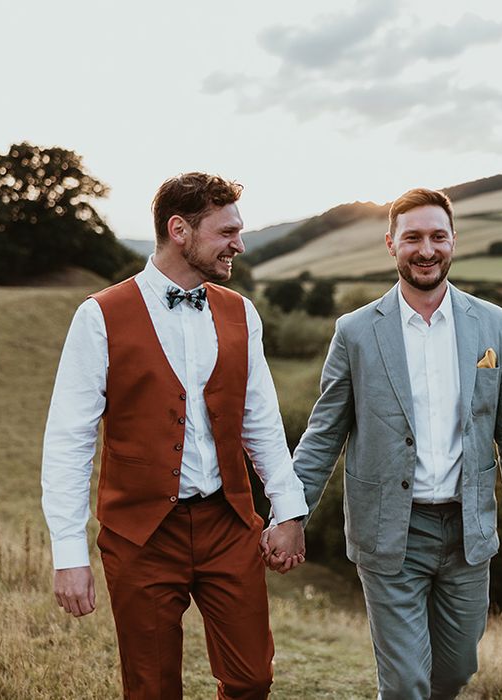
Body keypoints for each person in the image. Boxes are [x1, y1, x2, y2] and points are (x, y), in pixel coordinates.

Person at [265, 187, 502, 700]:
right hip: (391, 531)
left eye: (438, 236)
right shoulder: (354, 332)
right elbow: (323, 433)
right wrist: (289, 515)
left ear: (454, 241)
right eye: (412, 237)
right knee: (406, 682)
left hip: (469, 531)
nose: (426, 249)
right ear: (390, 243)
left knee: (455, 671)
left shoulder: (495, 326)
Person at [41, 172, 306, 700]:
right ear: (179, 230)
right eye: (226, 231)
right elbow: (69, 441)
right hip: (140, 534)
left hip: (228, 523)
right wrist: (69, 554)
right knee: (152, 687)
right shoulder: (99, 316)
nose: (239, 243)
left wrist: (289, 510)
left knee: (252, 678)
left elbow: (262, 422)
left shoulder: (241, 313)